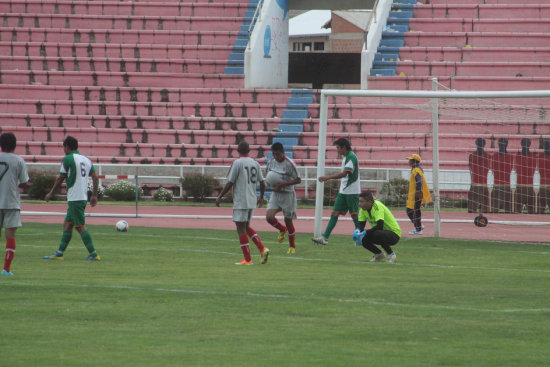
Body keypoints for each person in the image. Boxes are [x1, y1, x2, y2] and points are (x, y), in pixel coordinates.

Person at [43, 136, 101, 261]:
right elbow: (95, 178)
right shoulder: (86, 159)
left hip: (75, 197)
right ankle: (59, 253)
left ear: (67, 147)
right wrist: (94, 195)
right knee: (68, 224)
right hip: (82, 197)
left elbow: (60, 177)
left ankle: (94, 254)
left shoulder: (67, 159)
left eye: (64, 147)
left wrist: (51, 193)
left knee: (80, 226)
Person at [216, 141, 270, 265]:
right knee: (246, 226)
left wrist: (220, 196)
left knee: (240, 228)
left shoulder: (237, 163)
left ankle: (247, 259)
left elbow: (230, 182)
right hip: (252, 199)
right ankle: (262, 249)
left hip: (241, 200)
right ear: (249, 150)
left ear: (238, 150)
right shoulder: (255, 163)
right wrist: (261, 197)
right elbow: (262, 183)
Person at [312, 138, 360, 245]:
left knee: (355, 215)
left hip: (352, 191)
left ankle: (360, 237)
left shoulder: (351, 157)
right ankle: (325, 238)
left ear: (344, 147)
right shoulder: (346, 157)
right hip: (343, 191)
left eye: (338, 148)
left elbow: (344, 174)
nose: (337, 150)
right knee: (334, 213)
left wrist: (327, 177)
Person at [0, 133, 29, 276]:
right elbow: (24, 181)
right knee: (10, 235)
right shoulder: (18, 160)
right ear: (14, 145)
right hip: (11, 201)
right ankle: (6, 269)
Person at [265, 142, 301, 254]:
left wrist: (282, 184)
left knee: (288, 221)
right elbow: (268, 174)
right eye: (274, 154)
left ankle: (292, 246)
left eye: (278, 154)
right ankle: (282, 229)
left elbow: (298, 180)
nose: (276, 156)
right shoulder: (271, 162)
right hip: (276, 194)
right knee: (269, 217)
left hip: (288, 194)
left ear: (283, 152)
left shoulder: (290, 164)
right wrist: (269, 183)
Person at [353, 191, 401, 263]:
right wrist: (358, 231)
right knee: (363, 238)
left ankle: (391, 254)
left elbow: (380, 226)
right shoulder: (363, 209)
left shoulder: (377, 206)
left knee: (377, 233)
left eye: (362, 202)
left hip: (394, 234)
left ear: (369, 202)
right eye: (359, 201)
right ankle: (379, 254)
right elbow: (361, 224)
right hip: (380, 232)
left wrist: (365, 232)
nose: (360, 204)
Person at [406, 153, 431, 235]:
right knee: (412, 210)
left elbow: (419, 181)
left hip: (416, 195)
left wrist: (417, 191)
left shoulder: (417, 170)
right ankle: (418, 226)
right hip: (413, 194)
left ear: (414, 161)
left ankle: (418, 229)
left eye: (410, 160)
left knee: (413, 211)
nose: (408, 161)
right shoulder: (415, 169)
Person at [490, 138, 513, 213]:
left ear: (506, 145)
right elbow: (493, 169)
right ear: (498, 145)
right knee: (494, 208)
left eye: (503, 144)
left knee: (508, 207)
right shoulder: (494, 156)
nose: (502, 146)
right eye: (500, 144)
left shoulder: (510, 157)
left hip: (506, 185)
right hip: (496, 185)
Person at [468, 138, 490, 213]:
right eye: (479, 143)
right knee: (472, 209)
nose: (480, 145)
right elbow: (470, 169)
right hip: (475, 184)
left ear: (484, 145)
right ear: (476, 144)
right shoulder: (472, 156)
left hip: (484, 184)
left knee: (485, 210)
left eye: (481, 144)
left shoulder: (488, 156)